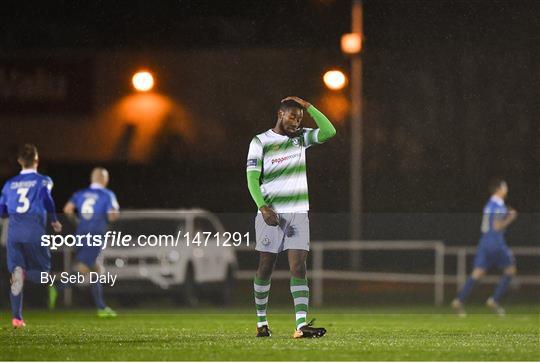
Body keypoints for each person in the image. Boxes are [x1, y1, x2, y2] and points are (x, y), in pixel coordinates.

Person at [246, 96, 336, 338]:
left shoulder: (301, 138)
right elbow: (253, 178)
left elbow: (329, 131)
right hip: (271, 213)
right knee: (266, 266)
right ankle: (261, 322)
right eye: (292, 116)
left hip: (297, 213)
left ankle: (300, 326)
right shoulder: (260, 141)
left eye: (300, 118)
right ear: (280, 114)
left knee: (299, 266)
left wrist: (309, 106)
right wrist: (263, 207)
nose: (296, 122)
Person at [0, 144, 62, 328]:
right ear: (37, 160)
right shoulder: (43, 180)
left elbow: (2, 211)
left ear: (19, 161)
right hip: (34, 232)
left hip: (14, 234)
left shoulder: (9, 184)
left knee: (16, 273)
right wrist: (54, 220)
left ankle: (17, 318)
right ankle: (38, 281)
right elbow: (46, 198)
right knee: (43, 273)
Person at [49, 167, 119, 318]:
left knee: (96, 270)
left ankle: (101, 308)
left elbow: (67, 209)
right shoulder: (107, 194)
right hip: (95, 235)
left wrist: (79, 222)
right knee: (83, 269)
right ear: (104, 179)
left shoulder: (80, 194)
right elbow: (112, 216)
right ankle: (57, 288)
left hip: (81, 234)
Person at [452, 179, 518, 316]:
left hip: (484, 242)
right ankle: (494, 300)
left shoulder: (490, 204)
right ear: (499, 189)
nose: (507, 189)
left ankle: (459, 300)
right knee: (510, 270)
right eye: (505, 186)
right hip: (496, 242)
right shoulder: (499, 206)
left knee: (477, 273)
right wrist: (510, 217)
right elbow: (497, 226)